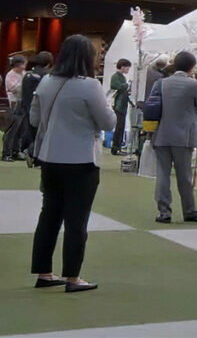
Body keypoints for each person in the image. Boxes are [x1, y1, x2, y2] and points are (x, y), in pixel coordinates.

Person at [29, 35, 116, 292]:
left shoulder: (46, 81)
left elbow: (34, 119)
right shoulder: (90, 86)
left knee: (49, 216)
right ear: (88, 57)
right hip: (81, 160)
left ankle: (44, 273)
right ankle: (72, 278)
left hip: (49, 157)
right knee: (76, 220)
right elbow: (108, 122)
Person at [152, 51, 197, 224]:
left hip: (161, 134)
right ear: (191, 67)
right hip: (183, 136)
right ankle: (189, 210)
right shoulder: (193, 84)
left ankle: (164, 212)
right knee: (184, 176)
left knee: (163, 174)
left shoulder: (161, 83)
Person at [4, 52, 52, 161]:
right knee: (13, 129)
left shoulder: (25, 74)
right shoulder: (11, 75)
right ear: (17, 64)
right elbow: (13, 89)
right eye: (23, 64)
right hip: (15, 103)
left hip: (23, 103)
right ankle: (6, 152)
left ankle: (16, 151)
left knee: (22, 129)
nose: (24, 66)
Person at [109, 59, 132, 155]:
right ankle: (115, 148)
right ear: (122, 66)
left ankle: (117, 147)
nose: (128, 69)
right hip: (119, 105)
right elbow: (118, 87)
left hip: (122, 105)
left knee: (121, 127)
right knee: (119, 127)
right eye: (127, 67)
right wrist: (127, 85)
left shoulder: (121, 77)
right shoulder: (115, 77)